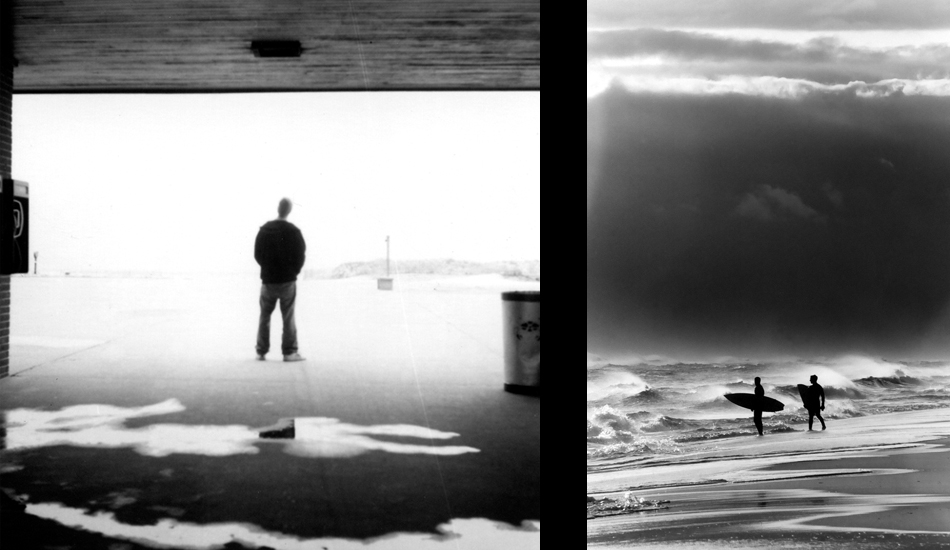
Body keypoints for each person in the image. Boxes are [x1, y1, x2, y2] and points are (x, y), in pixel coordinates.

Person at [255, 198, 306, 362]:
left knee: (264, 316)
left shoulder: (265, 229)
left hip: (268, 281)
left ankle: (261, 351)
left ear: (278, 208)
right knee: (288, 317)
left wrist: (267, 269)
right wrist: (293, 272)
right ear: (289, 210)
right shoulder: (294, 231)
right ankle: (289, 352)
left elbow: (257, 254)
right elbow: (300, 256)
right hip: (287, 281)